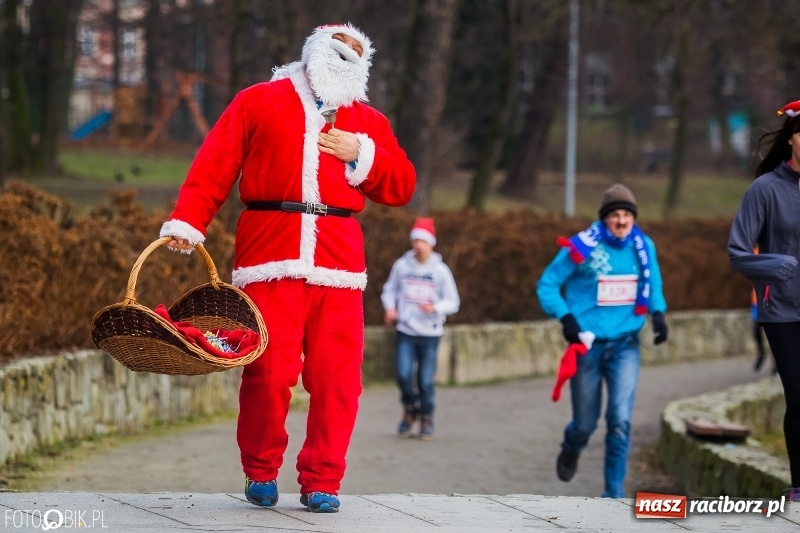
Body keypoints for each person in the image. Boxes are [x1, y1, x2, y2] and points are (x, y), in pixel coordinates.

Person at [159, 23, 416, 513]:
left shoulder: (368, 121)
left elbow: (401, 185)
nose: (348, 57)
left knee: (338, 377)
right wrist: (189, 222)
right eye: (340, 48)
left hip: (339, 262)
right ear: (315, 50)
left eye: (359, 52)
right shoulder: (259, 101)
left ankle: (322, 480)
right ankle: (260, 469)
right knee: (268, 370)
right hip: (269, 254)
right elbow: (215, 162)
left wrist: (361, 153)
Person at [536, 183, 668, 499]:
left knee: (620, 420)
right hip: (588, 344)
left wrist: (658, 313)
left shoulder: (643, 247)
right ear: (604, 219)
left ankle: (613, 492)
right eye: (615, 215)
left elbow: (655, 284)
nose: (622, 222)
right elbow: (547, 285)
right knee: (585, 423)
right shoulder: (583, 246)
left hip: (626, 344)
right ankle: (571, 446)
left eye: (627, 215)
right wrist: (566, 319)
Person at [728, 98, 800, 502]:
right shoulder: (765, 189)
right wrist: (777, 265)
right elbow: (738, 252)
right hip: (782, 310)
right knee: (799, 396)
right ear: (791, 138)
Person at [381, 217, 460, 440]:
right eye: (415, 240)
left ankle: (426, 418)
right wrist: (390, 308)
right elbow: (389, 290)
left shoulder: (440, 270)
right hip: (406, 331)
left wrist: (434, 307)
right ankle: (409, 410)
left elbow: (453, 301)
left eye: (423, 241)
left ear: (431, 243)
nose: (418, 245)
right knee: (403, 375)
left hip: (430, 333)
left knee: (425, 380)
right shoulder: (402, 266)